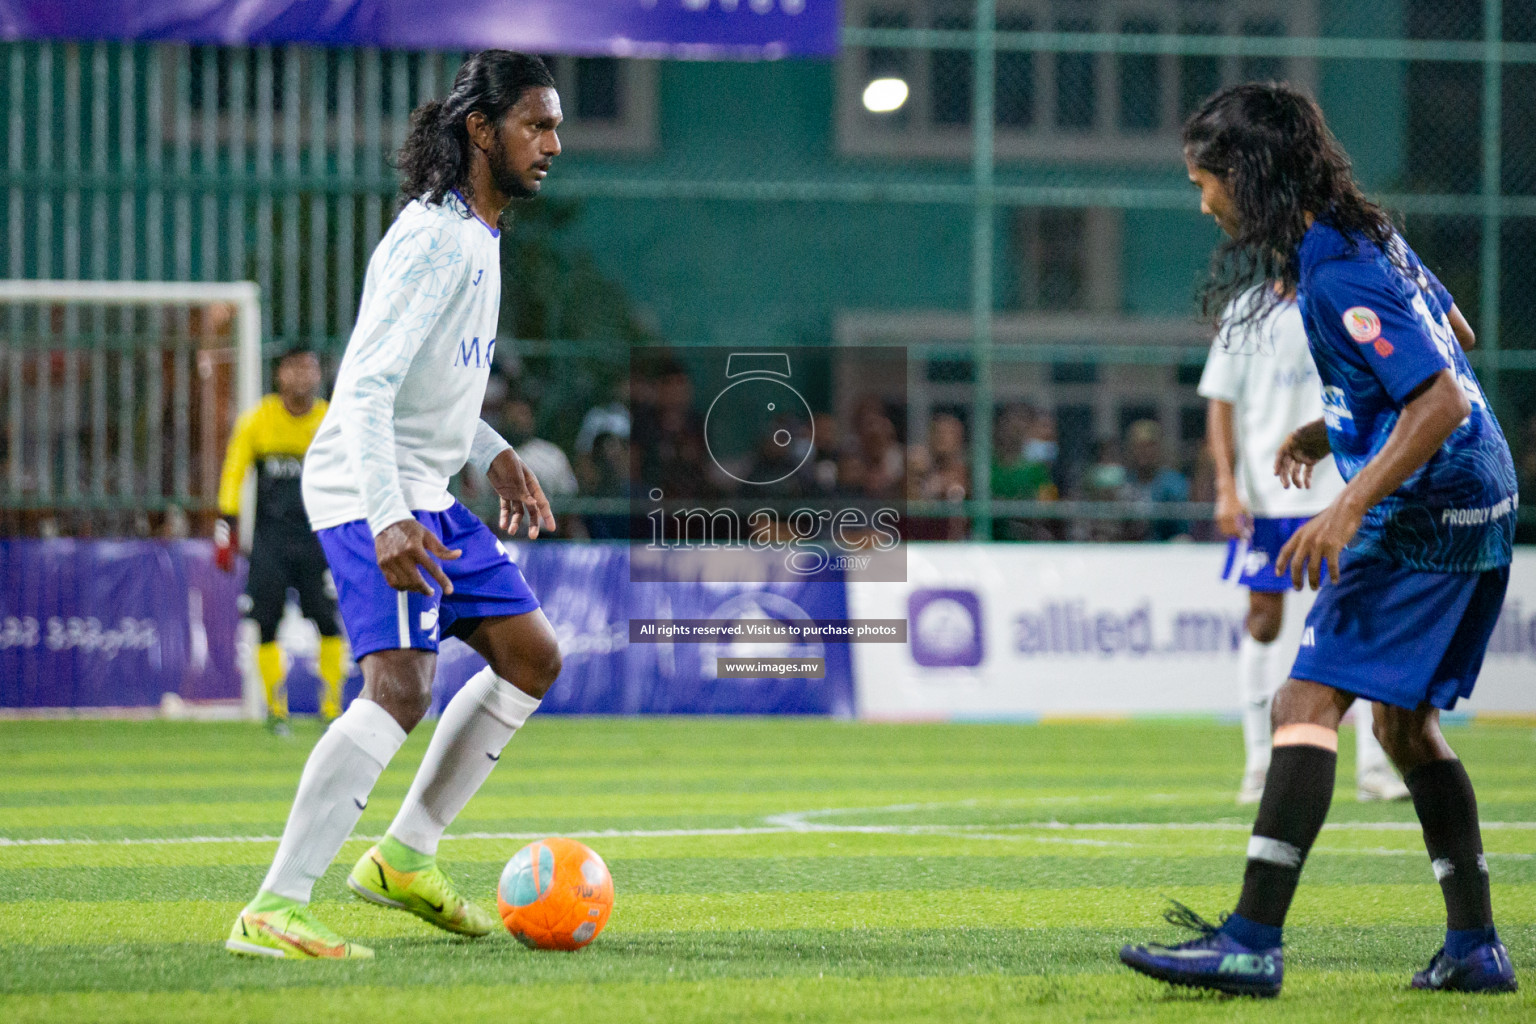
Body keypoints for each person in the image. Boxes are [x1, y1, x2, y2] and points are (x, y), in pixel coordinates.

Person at [1121, 82, 1519, 997]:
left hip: (1427, 508)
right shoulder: (1365, 236)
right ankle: (1474, 948)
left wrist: (1344, 506)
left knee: (1303, 704)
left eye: (1206, 180)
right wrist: (1334, 431)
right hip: (1478, 496)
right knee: (1406, 726)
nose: (1203, 200)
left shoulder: (1338, 271)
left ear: (1249, 175)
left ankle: (1252, 941)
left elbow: (1440, 397)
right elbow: (1451, 333)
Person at [226, 50, 565, 961]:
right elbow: (366, 391)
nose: (553, 144)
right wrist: (385, 518)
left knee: (531, 658)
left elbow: (430, 388)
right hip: (368, 490)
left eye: (557, 124)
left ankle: (406, 854)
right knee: (401, 686)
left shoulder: (478, 233)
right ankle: (274, 904)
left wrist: (489, 452)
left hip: (424, 488)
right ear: (481, 131)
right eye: (536, 124)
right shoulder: (435, 240)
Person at [1200, 285, 1411, 805]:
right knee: (1264, 621)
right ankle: (1257, 764)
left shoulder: (1339, 294)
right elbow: (1221, 405)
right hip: (1267, 498)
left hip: (1339, 491)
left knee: (1361, 618)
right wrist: (1227, 487)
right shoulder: (1245, 311)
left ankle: (1374, 767)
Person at [215, 346, 343, 734]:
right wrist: (226, 532)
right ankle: (276, 711)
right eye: (294, 368)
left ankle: (332, 709)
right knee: (266, 621)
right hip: (270, 540)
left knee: (327, 620)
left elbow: (354, 476)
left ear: (318, 375)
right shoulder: (258, 421)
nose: (302, 375)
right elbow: (233, 474)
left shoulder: (331, 422)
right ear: (279, 375)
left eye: (309, 367)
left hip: (318, 538)